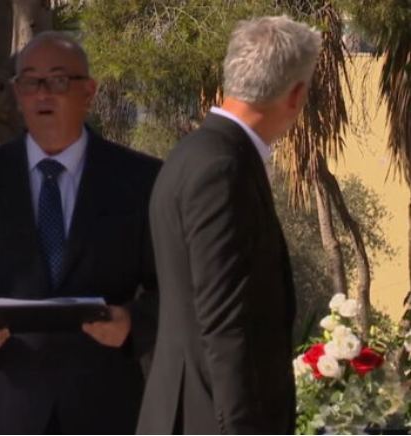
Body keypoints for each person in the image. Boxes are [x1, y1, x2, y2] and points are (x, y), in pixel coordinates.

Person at [0, 31, 161, 435]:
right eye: (29, 82)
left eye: (59, 80)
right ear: (17, 93)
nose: (43, 93)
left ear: (89, 91)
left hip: (105, 407)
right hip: (5, 405)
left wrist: (132, 323)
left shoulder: (139, 179)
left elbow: (171, 287)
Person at [137, 16, 322, 435]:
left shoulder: (197, 154)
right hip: (210, 419)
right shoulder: (222, 168)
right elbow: (223, 321)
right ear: (296, 95)